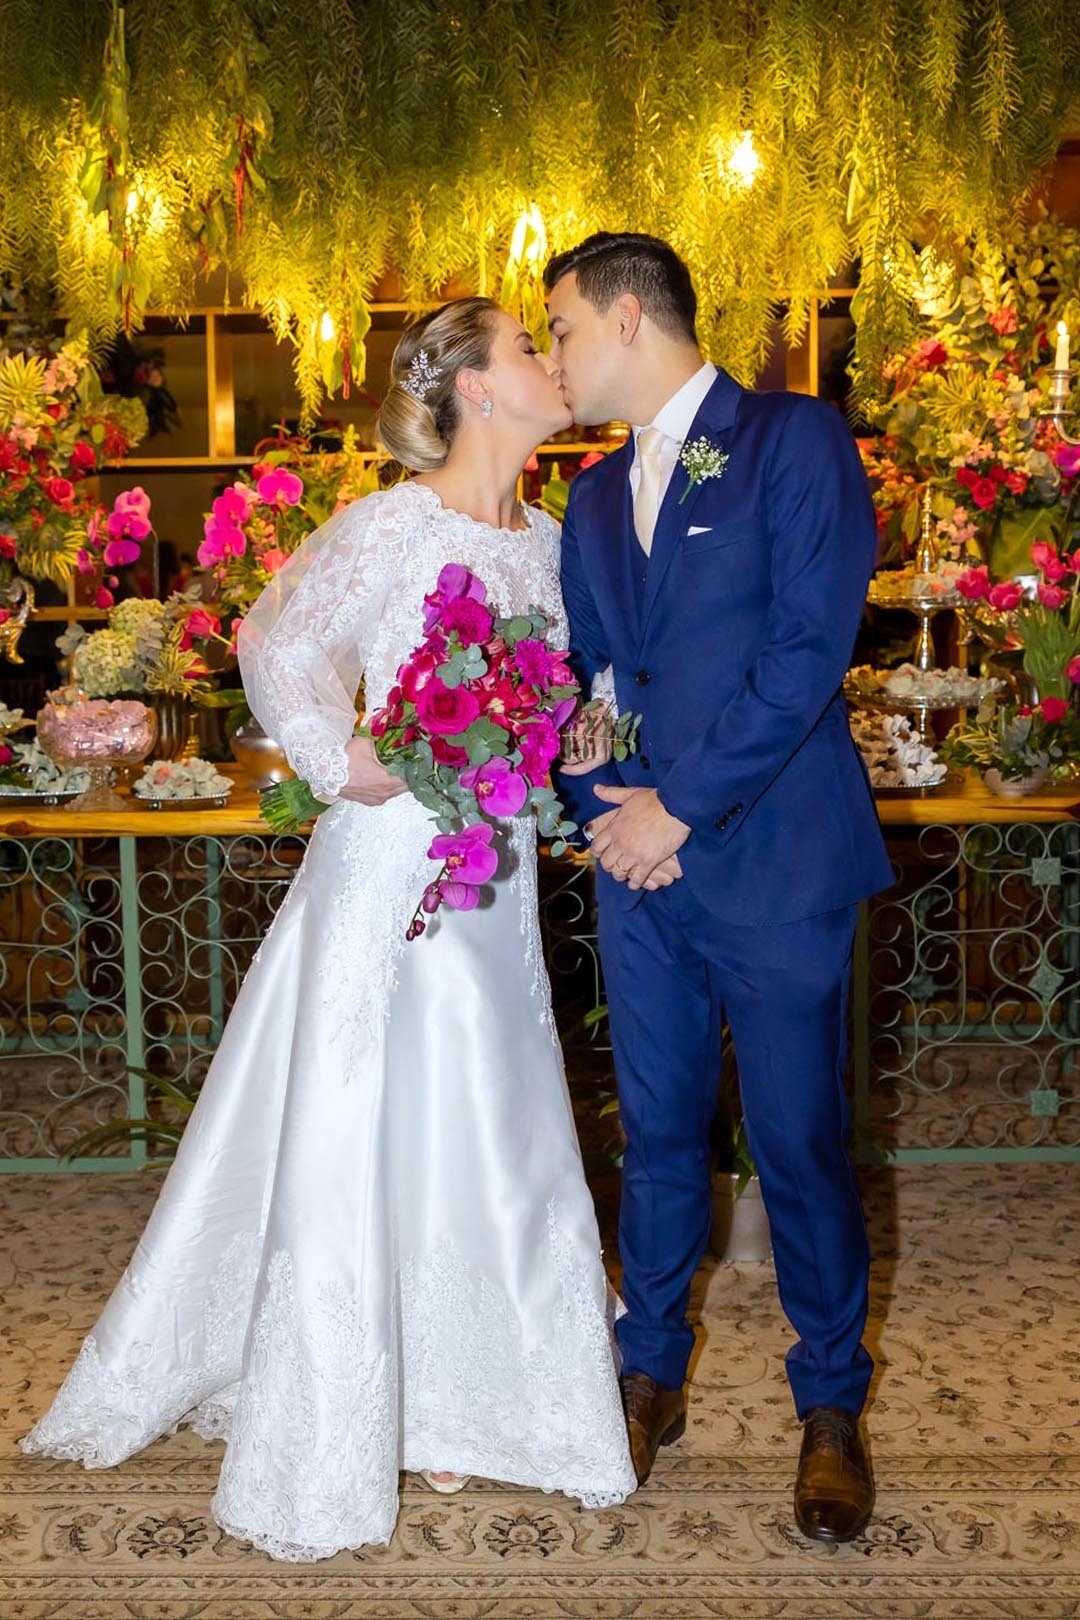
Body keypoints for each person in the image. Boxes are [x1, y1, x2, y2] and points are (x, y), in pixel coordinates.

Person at [21, 296, 636, 1561]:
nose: (551, 360)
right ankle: (352, 1396)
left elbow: (576, 700)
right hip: (388, 862)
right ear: (473, 388)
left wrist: (580, 736)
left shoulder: (561, 538)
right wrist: (339, 751)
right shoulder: (392, 527)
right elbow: (275, 637)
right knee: (373, 1110)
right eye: (529, 346)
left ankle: (472, 1389)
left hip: (497, 872)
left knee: (492, 1112)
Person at [545, 232, 894, 1545]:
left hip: (776, 867)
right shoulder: (587, 501)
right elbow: (588, 682)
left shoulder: (790, 440)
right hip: (643, 876)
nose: (557, 357)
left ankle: (829, 1408)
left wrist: (682, 808)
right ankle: (648, 1377)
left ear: (630, 317)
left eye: (563, 329)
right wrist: (608, 811)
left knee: (799, 1142)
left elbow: (809, 648)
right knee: (655, 1133)